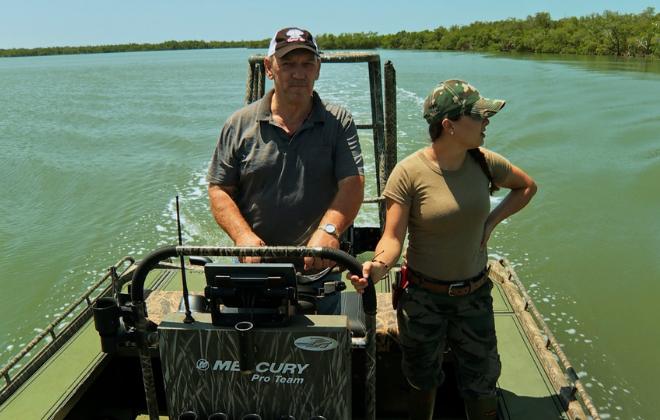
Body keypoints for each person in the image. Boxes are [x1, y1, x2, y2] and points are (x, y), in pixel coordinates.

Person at [349, 80, 537, 419]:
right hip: (423, 299)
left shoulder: (484, 162)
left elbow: (526, 187)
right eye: (479, 117)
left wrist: (491, 222)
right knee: (422, 379)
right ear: (449, 126)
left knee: (482, 383)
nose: (486, 123)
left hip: (474, 295)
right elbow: (392, 238)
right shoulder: (408, 173)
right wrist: (376, 268)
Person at [207, 27, 365, 314]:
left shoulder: (338, 121)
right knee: (253, 348)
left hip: (319, 272)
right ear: (269, 68)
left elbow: (352, 182)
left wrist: (329, 231)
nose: (298, 73)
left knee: (320, 349)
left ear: (318, 69)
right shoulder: (239, 124)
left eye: (307, 64)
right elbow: (219, 189)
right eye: (288, 64)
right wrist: (242, 236)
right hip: (255, 271)